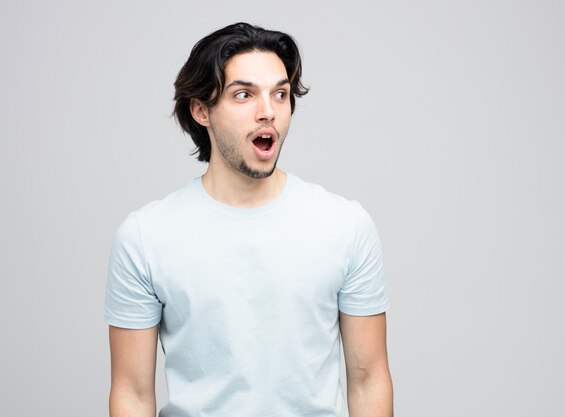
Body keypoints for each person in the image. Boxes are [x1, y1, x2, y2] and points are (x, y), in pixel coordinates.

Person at [105, 22, 393, 417]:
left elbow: (369, 380)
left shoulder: (346, 226)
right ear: (201, 110)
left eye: (281, 94)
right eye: (244, 95)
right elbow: (132, 393)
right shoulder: (145, 237)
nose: (268, 112)